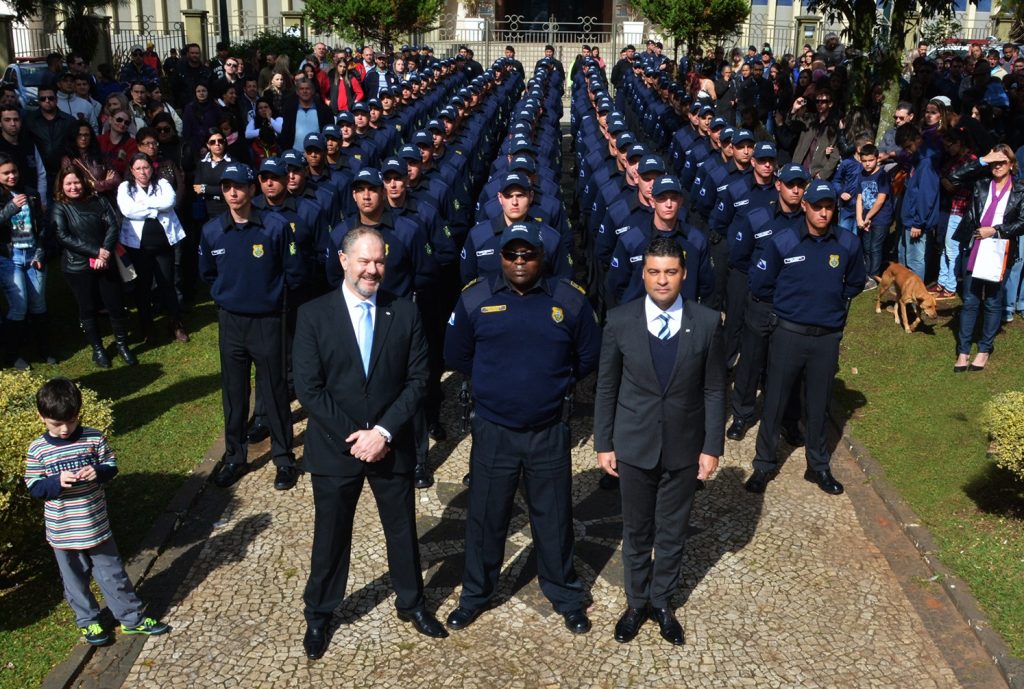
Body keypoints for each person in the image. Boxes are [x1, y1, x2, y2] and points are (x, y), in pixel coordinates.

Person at [293, 226, 446, 660]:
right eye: (364, 260)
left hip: (390, 445)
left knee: (402, 531)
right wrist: (354, 437)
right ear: (344, 261)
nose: (373, 269)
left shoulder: (406, 312)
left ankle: (412, 603)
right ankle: (320, 613)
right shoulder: (313, 315)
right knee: (331, 535)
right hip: (334, 447)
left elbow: (419, 379)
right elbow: (309, 387)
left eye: (379, 261)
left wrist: (381, 433)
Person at [443, 222, 601, 635]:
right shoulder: (475, 297)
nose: (519, 261)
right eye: (511, 254)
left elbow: (587, 356)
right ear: (500, 256)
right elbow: (457, 355)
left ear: (542, 256)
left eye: (527, 254)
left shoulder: (569, 300)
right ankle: (476, 594)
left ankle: (565, 594)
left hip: (548, 429)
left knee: (554, 518)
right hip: (494, 429)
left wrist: (551, 387)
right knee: (485, 516)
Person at [594, 237, 724, 646]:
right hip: (634, 444)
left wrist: (712, 446)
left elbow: (715, 389)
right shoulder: (619, 320)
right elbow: (606, 387)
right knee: (636, 530)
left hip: (685, 446)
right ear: (643, 274)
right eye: (654, 271)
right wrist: (603, 442)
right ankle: (636, 602)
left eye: (670, 272)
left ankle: (662, 601)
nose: (662, 280)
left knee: (672, 531)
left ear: (684, 274)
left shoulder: (705, 322)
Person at [23, 377, 170, 646]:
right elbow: (34, 486)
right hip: (64, 533)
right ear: (41, 417)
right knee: (75, 581)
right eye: (57, 424)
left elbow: (110, 466)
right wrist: (55, 482)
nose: (66, 429)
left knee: (113, 574)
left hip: (96, 527)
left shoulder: (93, 437)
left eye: (72, 420)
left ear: (79, 414)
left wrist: (98, 471)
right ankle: (89, 622)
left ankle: (131, 619)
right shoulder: (38, 450)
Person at [745, 181, 866, 495]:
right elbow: (761, 284)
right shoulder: (783, 241)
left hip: (826, 338)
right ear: (805, 207)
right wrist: (791, 308)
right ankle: (763, 466)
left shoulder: (848, 243)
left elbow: (854, 284)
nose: (824, 212)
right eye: (817, 206)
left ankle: (818, 467)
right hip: (789, 334)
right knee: (775, 402)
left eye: (829, 207)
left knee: (819, 404)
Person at [198, 163, 304, 490]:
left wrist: (269, 298)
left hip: (267, 321)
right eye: (227, 186)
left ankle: (284, 458)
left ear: (252, 189)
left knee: (274, 392)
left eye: (239, 186)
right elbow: (208, 274)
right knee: (234, 393)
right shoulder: (213, 230)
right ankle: (234, 457)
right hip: (231, 322)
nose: (233, 193)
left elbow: (293, 271)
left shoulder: (274, 226)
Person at [51, 166, 135, 367]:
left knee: (114, 304)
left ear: (84, 182)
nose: (74, 187)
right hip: (77, 266)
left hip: (105, 261)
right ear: (62, 186)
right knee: (87, 307)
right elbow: (63, 236)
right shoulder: (60, 207)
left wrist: (104, 252)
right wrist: (95, 251)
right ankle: (98, 349)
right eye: (69, 183)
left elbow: (113, 225)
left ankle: (122, 345)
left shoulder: (98, 200)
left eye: (77, 182)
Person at [950, 146, 1024, 372]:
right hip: (976, 246)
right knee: (970, 300)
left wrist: (996, 230)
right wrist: (983, 159)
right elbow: (954, 176)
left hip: (1000, 249)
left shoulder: (1020, 190)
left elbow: (1022, 222)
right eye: (995, 162)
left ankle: (983, 350)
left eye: (1003, 161)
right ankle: (963, 351)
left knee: (992, 301)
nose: (998, 165)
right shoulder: (982, 184)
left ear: (1012, 164)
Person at [116, 152, 188, 344]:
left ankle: (175, 323)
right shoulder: (125, 187)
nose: (142, 172)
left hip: (163, 244)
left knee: (167, 283)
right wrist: (156, 208)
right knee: (143, 287)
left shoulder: (162, 183)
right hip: (138, 246)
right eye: (138, 168)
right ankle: (147, 325)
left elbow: (170, 201)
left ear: (152, 168)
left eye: (146, 167)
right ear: (131, 170)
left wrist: (144, 206)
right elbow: (127, 210)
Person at [0, 153, 52, 369]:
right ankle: (11, 355)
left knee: (38, 302)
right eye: (6, 173)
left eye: (14, 171)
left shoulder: (30, 193)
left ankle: (45, 349)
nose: (12, 176)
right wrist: (10, 208)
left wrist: (41, 250)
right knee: (19, 305)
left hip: (32, 253)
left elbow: (43, 224)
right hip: (9, 257)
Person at [62, 121, 121, 200]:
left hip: (104, 200)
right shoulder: (68, 160)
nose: (83, 138)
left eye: (86, 135)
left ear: (91, 137)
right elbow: (76, 185)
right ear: (74, 136)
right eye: (79, 135)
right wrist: (105, 182)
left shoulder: (100, 156)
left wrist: (95, 184)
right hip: (82, 201)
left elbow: (117, 180)